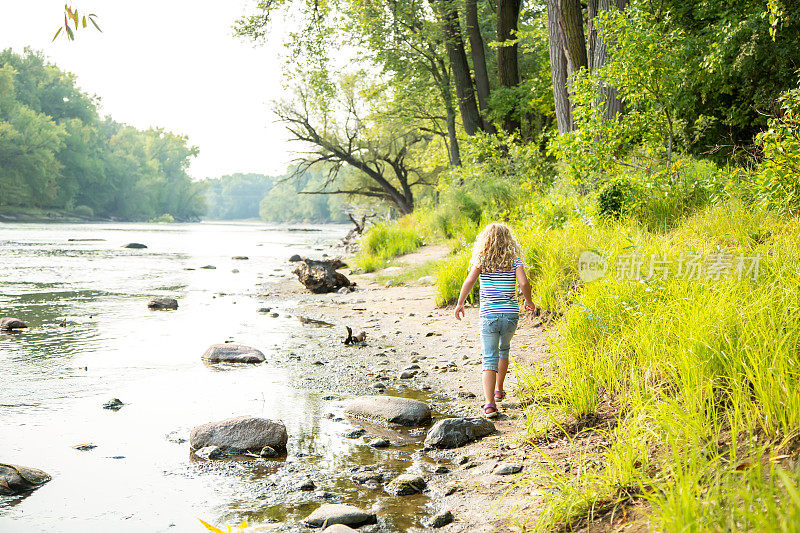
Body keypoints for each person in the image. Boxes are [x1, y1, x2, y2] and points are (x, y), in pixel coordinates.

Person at [454, 222, 534, 418]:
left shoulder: (482, 259)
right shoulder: (514, 260)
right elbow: (523, 282)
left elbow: (470, 280)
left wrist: (460, 303)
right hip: (510, 314)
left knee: (489, 357)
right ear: (508, 240)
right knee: (503, 350)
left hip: (489, 315)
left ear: (486, 240)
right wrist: (528, 301)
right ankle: (499, 390)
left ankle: (489, 405)